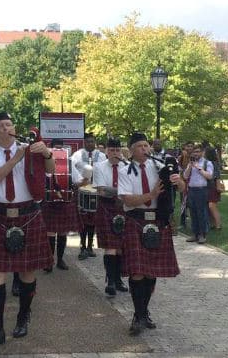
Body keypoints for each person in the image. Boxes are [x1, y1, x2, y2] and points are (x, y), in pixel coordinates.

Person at [0, 112, 55, 346]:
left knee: (27, 272)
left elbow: (50, 170)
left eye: (9, 124)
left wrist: (47, 153)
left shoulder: (30, 149)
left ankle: (23, 316)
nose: (6, 128)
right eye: (1, 126)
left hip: (28, 214)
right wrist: (15, 159)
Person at [117, 132, 183, 335]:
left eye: (146, 145)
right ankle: (138, 315)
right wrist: (151, 195)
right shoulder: (125, 171)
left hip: (157, 221)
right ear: (131, 150)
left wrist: (178, 181)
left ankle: (143, 313)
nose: (145, 149)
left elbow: (181, 188)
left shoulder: (160, 167)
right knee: (137, 271)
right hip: (135, 220)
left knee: (151, 271)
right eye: (140, 146)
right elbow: (127, 200)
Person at [92, 137, 128, 296]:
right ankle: (111, 281)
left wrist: (117, 191)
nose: (115, 153)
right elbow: (101, 190)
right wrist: (122, 191)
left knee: (121, 247)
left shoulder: (127, 166)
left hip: (124, 208)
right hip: (107, 207)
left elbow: (132, 187)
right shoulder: (99, 166)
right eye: (112, 150)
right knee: (111, 247)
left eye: (117, 150)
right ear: (106, 151)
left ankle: (118, 279)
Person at [40, 138, 82, 273]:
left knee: (63, 231)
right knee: (50, 231)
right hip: (49, 201)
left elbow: (77, 180)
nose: (58, 150)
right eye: (56, 147)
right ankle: (49, 260)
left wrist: (84, 180)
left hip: (65, 200)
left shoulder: (69, 162)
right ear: (50, 148)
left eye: (60, 147)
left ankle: (60, 259)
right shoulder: (44, 162)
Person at [71, 132, 107, 260]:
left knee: (93, 220)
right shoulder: (77, 155)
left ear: (95, 142)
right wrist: (78, 181)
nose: (90, 143)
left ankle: (90, 247)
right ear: (84, 142)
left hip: (96, 191)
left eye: (92, 141)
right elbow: (72, 169)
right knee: (83, 221)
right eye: (87, 142)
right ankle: (82, 247)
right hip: (82, 191)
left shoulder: (102, 156)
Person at [182, 144, 213, 244]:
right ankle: (195, 233)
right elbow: (185, 176)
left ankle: (202, 234)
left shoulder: (207, 163)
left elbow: (209, 176)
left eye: (198, 152)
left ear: (202, 152)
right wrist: (190, 167)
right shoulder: (191, 163)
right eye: (194, 152)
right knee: (193, 212)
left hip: (201, 190)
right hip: (191, 190)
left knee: (201, 212)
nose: (196, 154)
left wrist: (199, 168)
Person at [204, 146, 222, 230]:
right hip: (207, 187)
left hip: (213, 187)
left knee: (212, 206)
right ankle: (212, 224)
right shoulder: (207, 163)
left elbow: (217, 176)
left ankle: (218, 225)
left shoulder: (213, 163)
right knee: (208, 206)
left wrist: (218, 186)